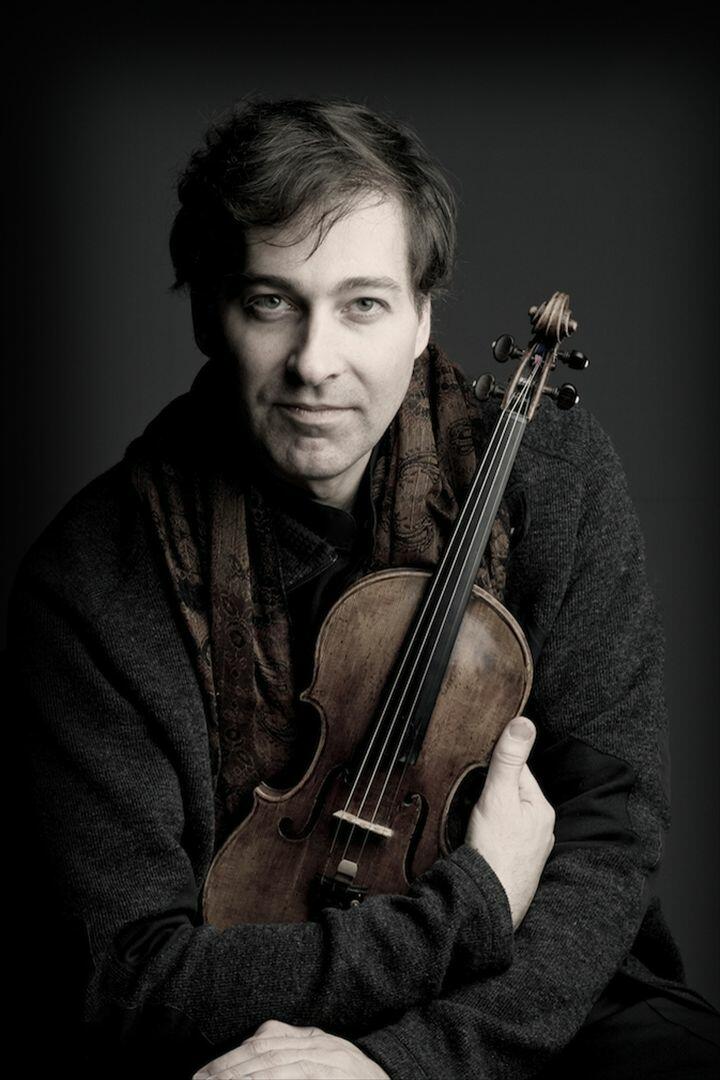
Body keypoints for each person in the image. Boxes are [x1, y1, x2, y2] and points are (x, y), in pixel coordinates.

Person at [9, 96, 720, 1080]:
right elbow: (128, 976)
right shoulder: (93, 580)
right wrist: (464, 909)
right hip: (247, 1024)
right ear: (211, 313)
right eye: (271, 302)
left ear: (423, 317)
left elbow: (609, 836)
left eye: (363, 305)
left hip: (531, 997)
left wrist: (404, 1065)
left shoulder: (549, 475)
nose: (314, 363)